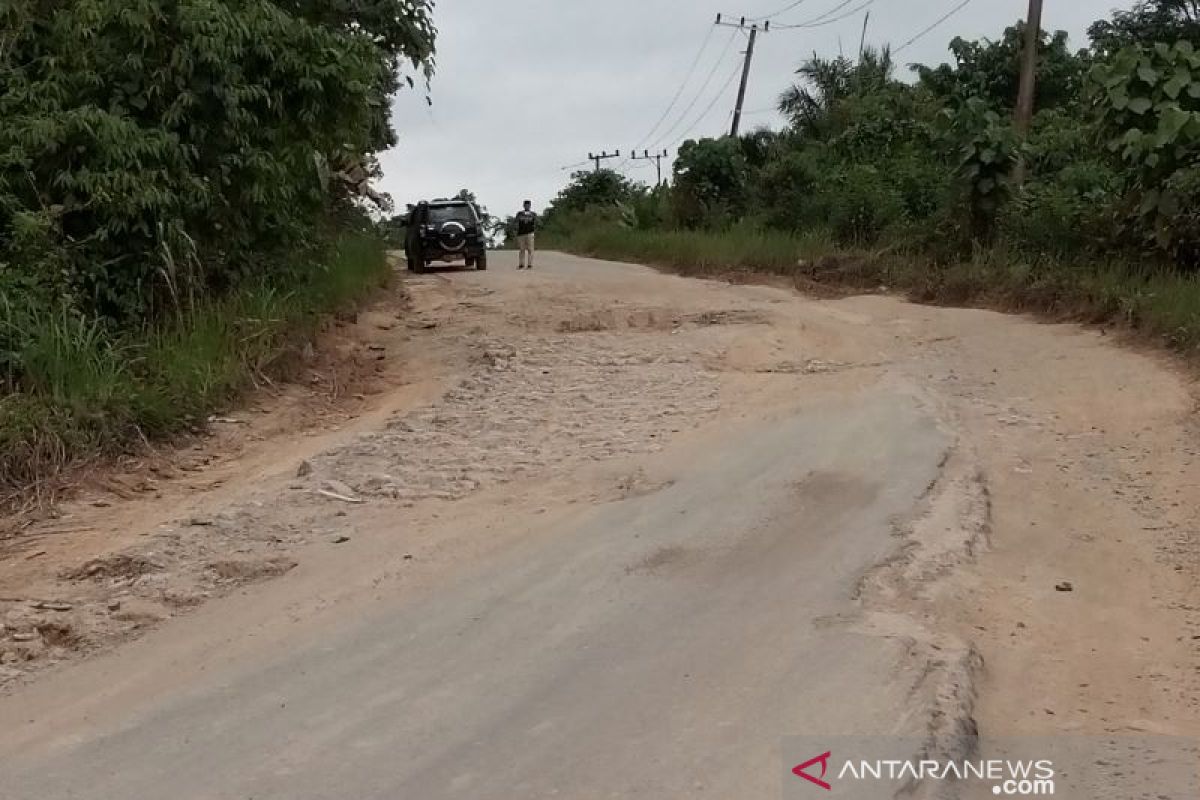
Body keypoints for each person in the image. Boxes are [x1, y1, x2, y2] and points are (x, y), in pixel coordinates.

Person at [515, 200, 538, 270]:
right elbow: (516, 222)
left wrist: (534, 231)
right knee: (522, 249)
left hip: (530, 233)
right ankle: (521, 264)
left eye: (528, 205)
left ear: (530, 206)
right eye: (525, 205)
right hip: (521, 233)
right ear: (523, 205)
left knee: (530, 249)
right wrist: (515, 230)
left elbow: (536, 223)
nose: (527, 206)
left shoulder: (533, 214)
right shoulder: (520, 213)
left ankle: (530, 264)